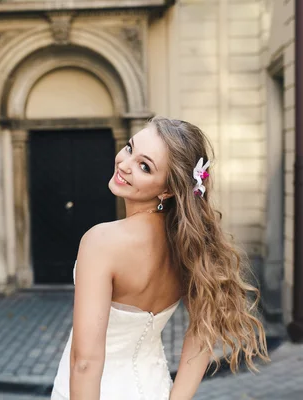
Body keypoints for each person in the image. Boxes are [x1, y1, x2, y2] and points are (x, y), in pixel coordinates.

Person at [51, 116, 269, 400]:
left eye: (144, 166)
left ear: (167, 189)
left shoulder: (101, 242)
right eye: (129, 148)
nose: (125, 165)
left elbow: (85, 362)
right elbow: (203, 332)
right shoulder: (189, 247)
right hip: (156, 389)